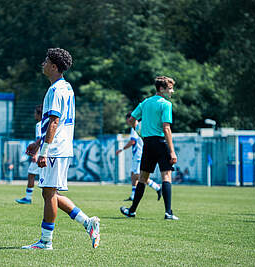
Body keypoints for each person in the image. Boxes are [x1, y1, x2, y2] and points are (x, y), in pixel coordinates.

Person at [22, 48, 100, 250]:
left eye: (46, 61)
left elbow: (55, 122)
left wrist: (44, 150)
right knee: (51, 193)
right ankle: (87, 222)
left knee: (48, 194)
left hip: (55, 149)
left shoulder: (55, 90)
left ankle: (46, 242)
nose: (43, 64)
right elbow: (56, 122)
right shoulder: (67, 87)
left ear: (54, 66)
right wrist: (38, 142)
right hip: (60, 146)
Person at [120, 76, 179, 220]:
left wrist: (140, 133)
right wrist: (172, 151)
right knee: (166, 176)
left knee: (143, 178)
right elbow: (166, 129)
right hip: (160, 143)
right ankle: (168, 212)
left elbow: (132, 120)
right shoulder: (166, 104)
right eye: (170, 88)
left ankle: (132, 211)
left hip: (147, 144)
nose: (172, 91)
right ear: (161, 89)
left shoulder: (145, 103)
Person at [116, 112, 162, 202]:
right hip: (136, 155)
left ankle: (157, 187)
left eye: (128, 119)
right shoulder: (138, 127)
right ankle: (133, 195)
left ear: (131, 118)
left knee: (138, 175)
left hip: (139, 154)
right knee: (133, 175)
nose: (127, 121)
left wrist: (121, 149)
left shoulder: (136, 127)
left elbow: (133, 141)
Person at [15, 104, 43, 204]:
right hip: (46, 154)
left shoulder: (40, 125)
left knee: (31, 174)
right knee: (43, 177)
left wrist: (35, 154)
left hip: (41, 155)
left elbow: (41, 140)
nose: (34, 115)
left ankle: (28, 198)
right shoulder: (46, 123)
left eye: (35, 113)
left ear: (39, 114)